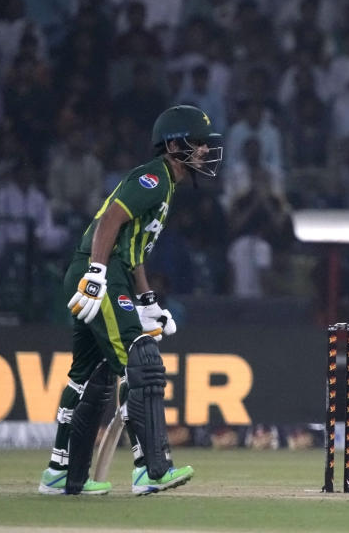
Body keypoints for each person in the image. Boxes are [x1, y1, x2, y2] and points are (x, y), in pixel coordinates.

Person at [38, 105, 222, 495]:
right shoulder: (154, 177)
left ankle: (60, 473)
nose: (205, 150)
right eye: (199, 142)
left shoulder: (168, 185)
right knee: (139, 362)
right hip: (101, 269)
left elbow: (135, 251)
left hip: (110, 269)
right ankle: (148, 469)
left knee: (87, 375)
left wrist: (148, 300)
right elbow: (110, 222)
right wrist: (97, 275)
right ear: (175, 144)